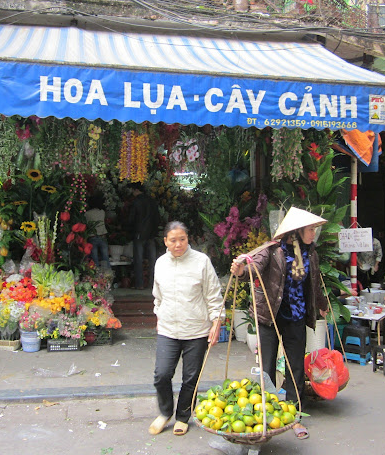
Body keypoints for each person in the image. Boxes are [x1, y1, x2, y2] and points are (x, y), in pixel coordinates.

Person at [230, 207, 329, 441]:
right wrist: (241, 271)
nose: (314, 233)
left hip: (296, 317)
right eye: (311, 229)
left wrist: (322, 303)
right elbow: (252, 268)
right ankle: (268, 413)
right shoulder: (272, 250)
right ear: (297, 230)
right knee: (267, 369)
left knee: (295, 368)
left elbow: (314, 283)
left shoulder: (310, 254)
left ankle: (294, 416)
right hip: (269, 318)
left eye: (314, 229)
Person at [149, 221, 223, 437]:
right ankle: (165, 413)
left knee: (191, 378)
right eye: (173, 240)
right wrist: (159, 314)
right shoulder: (161, 263)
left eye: (182, 239)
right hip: (168, 330)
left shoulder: (201, 262)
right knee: (161, 375)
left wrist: (216, 323)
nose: (178, 244)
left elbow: (213, 296)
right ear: (165, 241)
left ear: (188, 239)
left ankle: (183, 417)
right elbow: (157, 295)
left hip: (197, 330)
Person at [127, 183, 160, 290]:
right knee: (153, 260)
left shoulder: (136, 202)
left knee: (138, 259)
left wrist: (129, 230)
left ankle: (139, 284)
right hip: (151, 233)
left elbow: (131, 219)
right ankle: (153, 283)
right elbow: (157, 217)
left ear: (136, 190)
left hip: (139, 233)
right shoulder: (152, 201)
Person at [84, 193, 110, 270]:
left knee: (94, 260)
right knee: (105, 258)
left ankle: (96, 276)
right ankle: (107, 274)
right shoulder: (102, 212)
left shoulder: (87, 214)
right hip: (102, 236)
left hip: (92, 237)